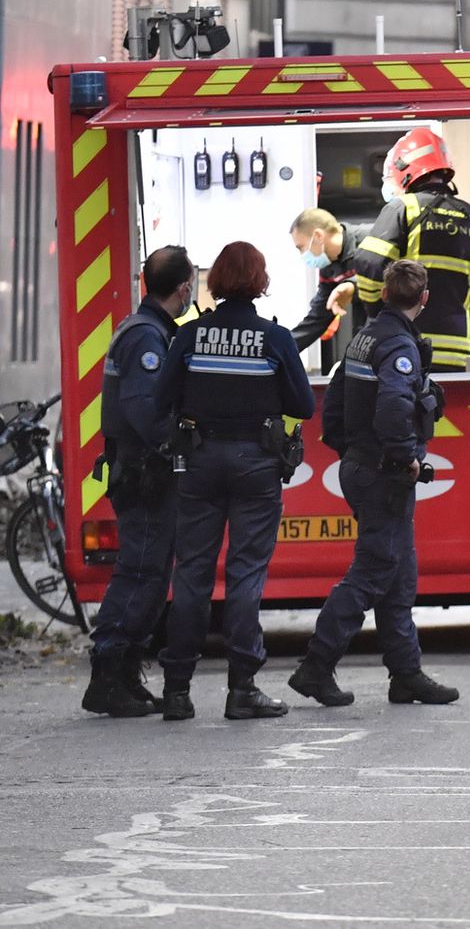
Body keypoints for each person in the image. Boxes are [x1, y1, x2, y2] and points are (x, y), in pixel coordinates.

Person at [154, 241, 316, 721]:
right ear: (260, 281)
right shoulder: (274, 338)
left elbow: (161, 397)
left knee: (193, 573)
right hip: (256, 463)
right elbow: (303, 406)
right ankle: (242, 689)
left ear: (215, 279)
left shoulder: (189, 335)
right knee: (246, 572)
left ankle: (177, 691)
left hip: (199, 460)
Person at [290, 260, 458, 709]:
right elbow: (392, 408)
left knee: (398, 575)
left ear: (384, 294)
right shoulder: (399, 345)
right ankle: (316, 666)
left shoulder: (364, 337)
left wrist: (349, 450)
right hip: (383, 473)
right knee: (372, 573)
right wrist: (404, 457)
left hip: (363, 466)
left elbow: (336, 398)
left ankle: (406, 675)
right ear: (423, 299)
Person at [81, 246, 196, 718]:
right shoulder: (147, 338)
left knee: (148, 572)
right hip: (145, 474)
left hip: (143, 471)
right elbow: (145, 411)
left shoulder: (149, 330)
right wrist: (181, 443)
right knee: (141, 572)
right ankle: (108, 672)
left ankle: (124, 673)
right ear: (184, 288)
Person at [353, 128, 470, 371]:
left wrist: (378, 311)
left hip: (404, 345)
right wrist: (459, 310)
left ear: (404, 170)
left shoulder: (403, 208)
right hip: (456, 352)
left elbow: (369, 263)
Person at [288, 208, 372, 357]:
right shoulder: (329, 266)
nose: (302, 255)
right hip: (366, 338)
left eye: (301, 247)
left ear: (318, 236)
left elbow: (391, 276)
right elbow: (318, 317)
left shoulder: (372, 238)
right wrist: (281, 348)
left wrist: (353, 285)